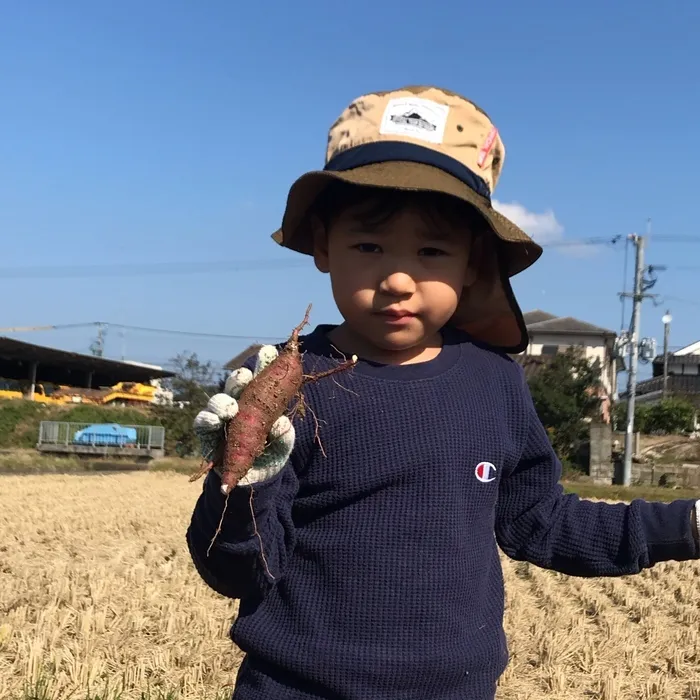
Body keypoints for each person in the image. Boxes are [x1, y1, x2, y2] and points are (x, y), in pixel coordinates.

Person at [186, 85, 700, 700]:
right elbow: (236, 569)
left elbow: (542, 521)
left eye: (431, 252)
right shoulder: (284, 384)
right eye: (368, 246)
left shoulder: (494, 381)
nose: (398, 279)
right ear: (323, 246)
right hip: (298, 687)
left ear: (473, 263)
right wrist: (239, 481)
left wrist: (686, 525)